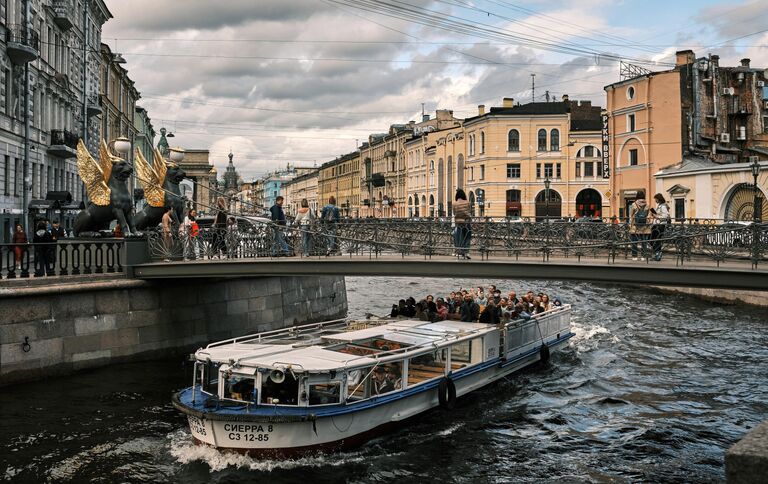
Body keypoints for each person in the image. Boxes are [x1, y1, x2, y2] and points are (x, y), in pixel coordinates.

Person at [628, 190, 652, 261]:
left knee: (634, 241)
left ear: (637, 196)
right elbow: (651, 214)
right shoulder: (648, 205)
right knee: (644, 242)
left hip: (635, 226)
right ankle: (643, 256)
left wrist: (630, 224)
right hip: (645, 226)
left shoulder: (634, 204)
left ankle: (634, 256)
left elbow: (631, 215)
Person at [650, 193, 671, 261]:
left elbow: (665, 216)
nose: (655, 200)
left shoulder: (663, 206)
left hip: (660, 225)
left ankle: (657, 253)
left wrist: (656, 216)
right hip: (657, 224)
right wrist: (654, 214)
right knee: (656, 240)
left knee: (652, 239)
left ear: (658, 199)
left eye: (655, 199)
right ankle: (657, 254)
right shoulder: (660, 205)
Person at [453, 189, 472, 259]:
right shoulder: (468, 202)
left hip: (458, 223)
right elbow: (469, 212)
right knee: (467, 237)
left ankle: (460, 251)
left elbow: (454, 213)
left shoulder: (454, 203)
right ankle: (466, 252)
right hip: (466, 222)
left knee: (459, 237)